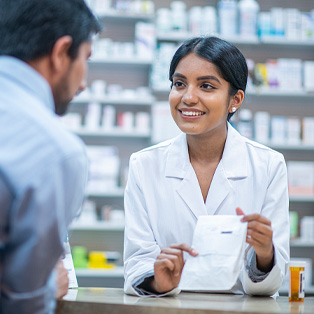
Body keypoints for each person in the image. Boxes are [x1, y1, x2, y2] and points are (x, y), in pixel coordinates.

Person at [124, 36, 289, 297]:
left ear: (235, 99)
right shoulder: (144, 165)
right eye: (179, 84)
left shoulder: (268, 165)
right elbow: (136, 262)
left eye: (207, 86)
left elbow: (272, 284)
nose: (188, 97)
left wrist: (265, 254)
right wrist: (158, 280)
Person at [0, 0, 101, 313]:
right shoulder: (55, 150)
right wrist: (46, 287)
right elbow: (23, 302)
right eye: (85, 59)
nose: (83, 84)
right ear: (61, 53)